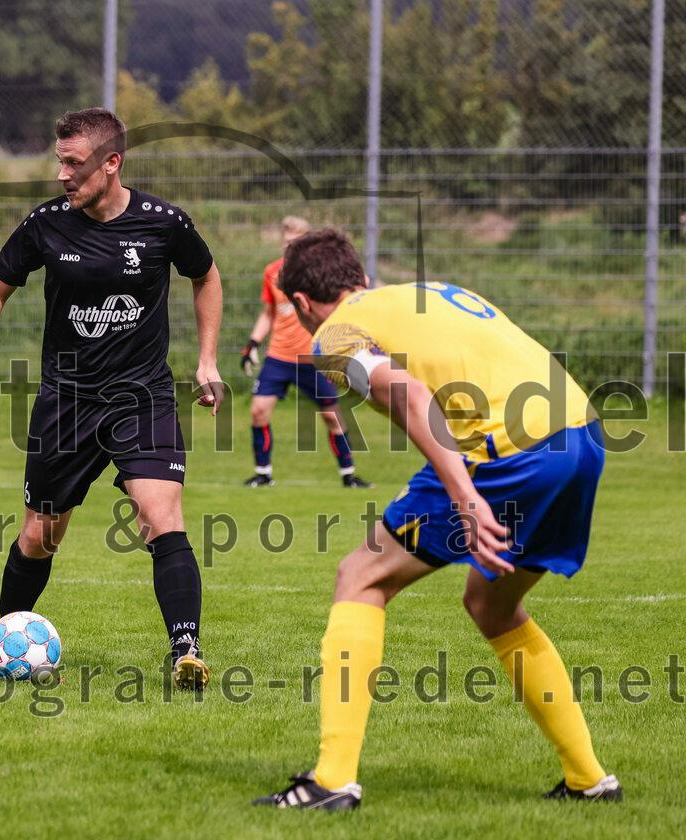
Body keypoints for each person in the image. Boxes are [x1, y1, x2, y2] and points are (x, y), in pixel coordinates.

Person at [254, 229, 621, 810]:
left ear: (299, 303)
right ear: (362, 278)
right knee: (492, 604)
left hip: (507, 448)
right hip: (583, 435)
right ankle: (590, 780)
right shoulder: (429, 290)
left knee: (361, 577)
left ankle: (331, 781)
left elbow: (408, 394)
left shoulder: (332, 336)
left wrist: (468, 499)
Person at [0, 108, 223, 690]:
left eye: (74, 163)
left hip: (142, 394)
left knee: (160, 514)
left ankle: (185, 648)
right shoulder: (46, 225)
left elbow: (205, 275)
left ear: (112, 163)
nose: (63, 175)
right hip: (67, 402)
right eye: (59, 161)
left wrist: (207, 358)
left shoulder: (163, 223)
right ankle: (1, 641)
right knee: (39, 535)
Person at [240, 216, 372, 489]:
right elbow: (269, 313)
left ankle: (349, 475)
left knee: (330, 416)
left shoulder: (317, 276)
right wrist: (253, 343)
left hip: (313, 358)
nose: (289, 247)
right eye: (286, 242)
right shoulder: (272, 272)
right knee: (258, 411)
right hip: (278, 356)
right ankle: (263, 473)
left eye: (295, 242)